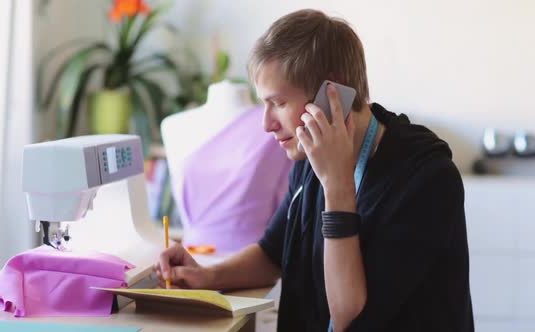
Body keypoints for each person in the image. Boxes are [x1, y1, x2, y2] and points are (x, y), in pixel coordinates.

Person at [155, 9, 474, 332]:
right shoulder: (308, 157)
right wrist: (208, 276)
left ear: (330, 96)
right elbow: (271, 254)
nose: (266, 124)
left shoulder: (427, 179)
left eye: (277, 103)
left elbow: (350, 317)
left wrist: (337, 187)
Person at [161, 80, 292, 252]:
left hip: (253, 260)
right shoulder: (174, 126)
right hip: (191, 256)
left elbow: (285, 202)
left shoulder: (273, 128)